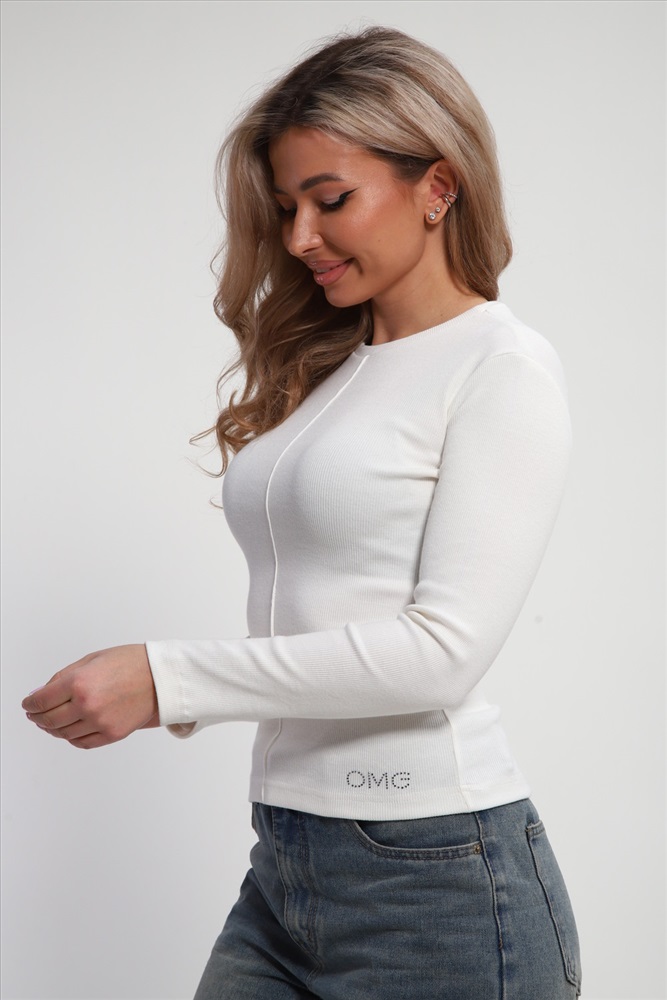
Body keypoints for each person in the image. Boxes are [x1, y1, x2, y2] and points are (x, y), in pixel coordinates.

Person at [22, 26, 582, 1000]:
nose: (298, 239)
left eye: (330, 201)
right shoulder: (332, 370)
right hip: (286, 861)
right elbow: (318, 603)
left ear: (437, 187)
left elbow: (442, 652)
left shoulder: (501, 369)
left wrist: (168, 681)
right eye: (286, 208)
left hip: (437, 881)